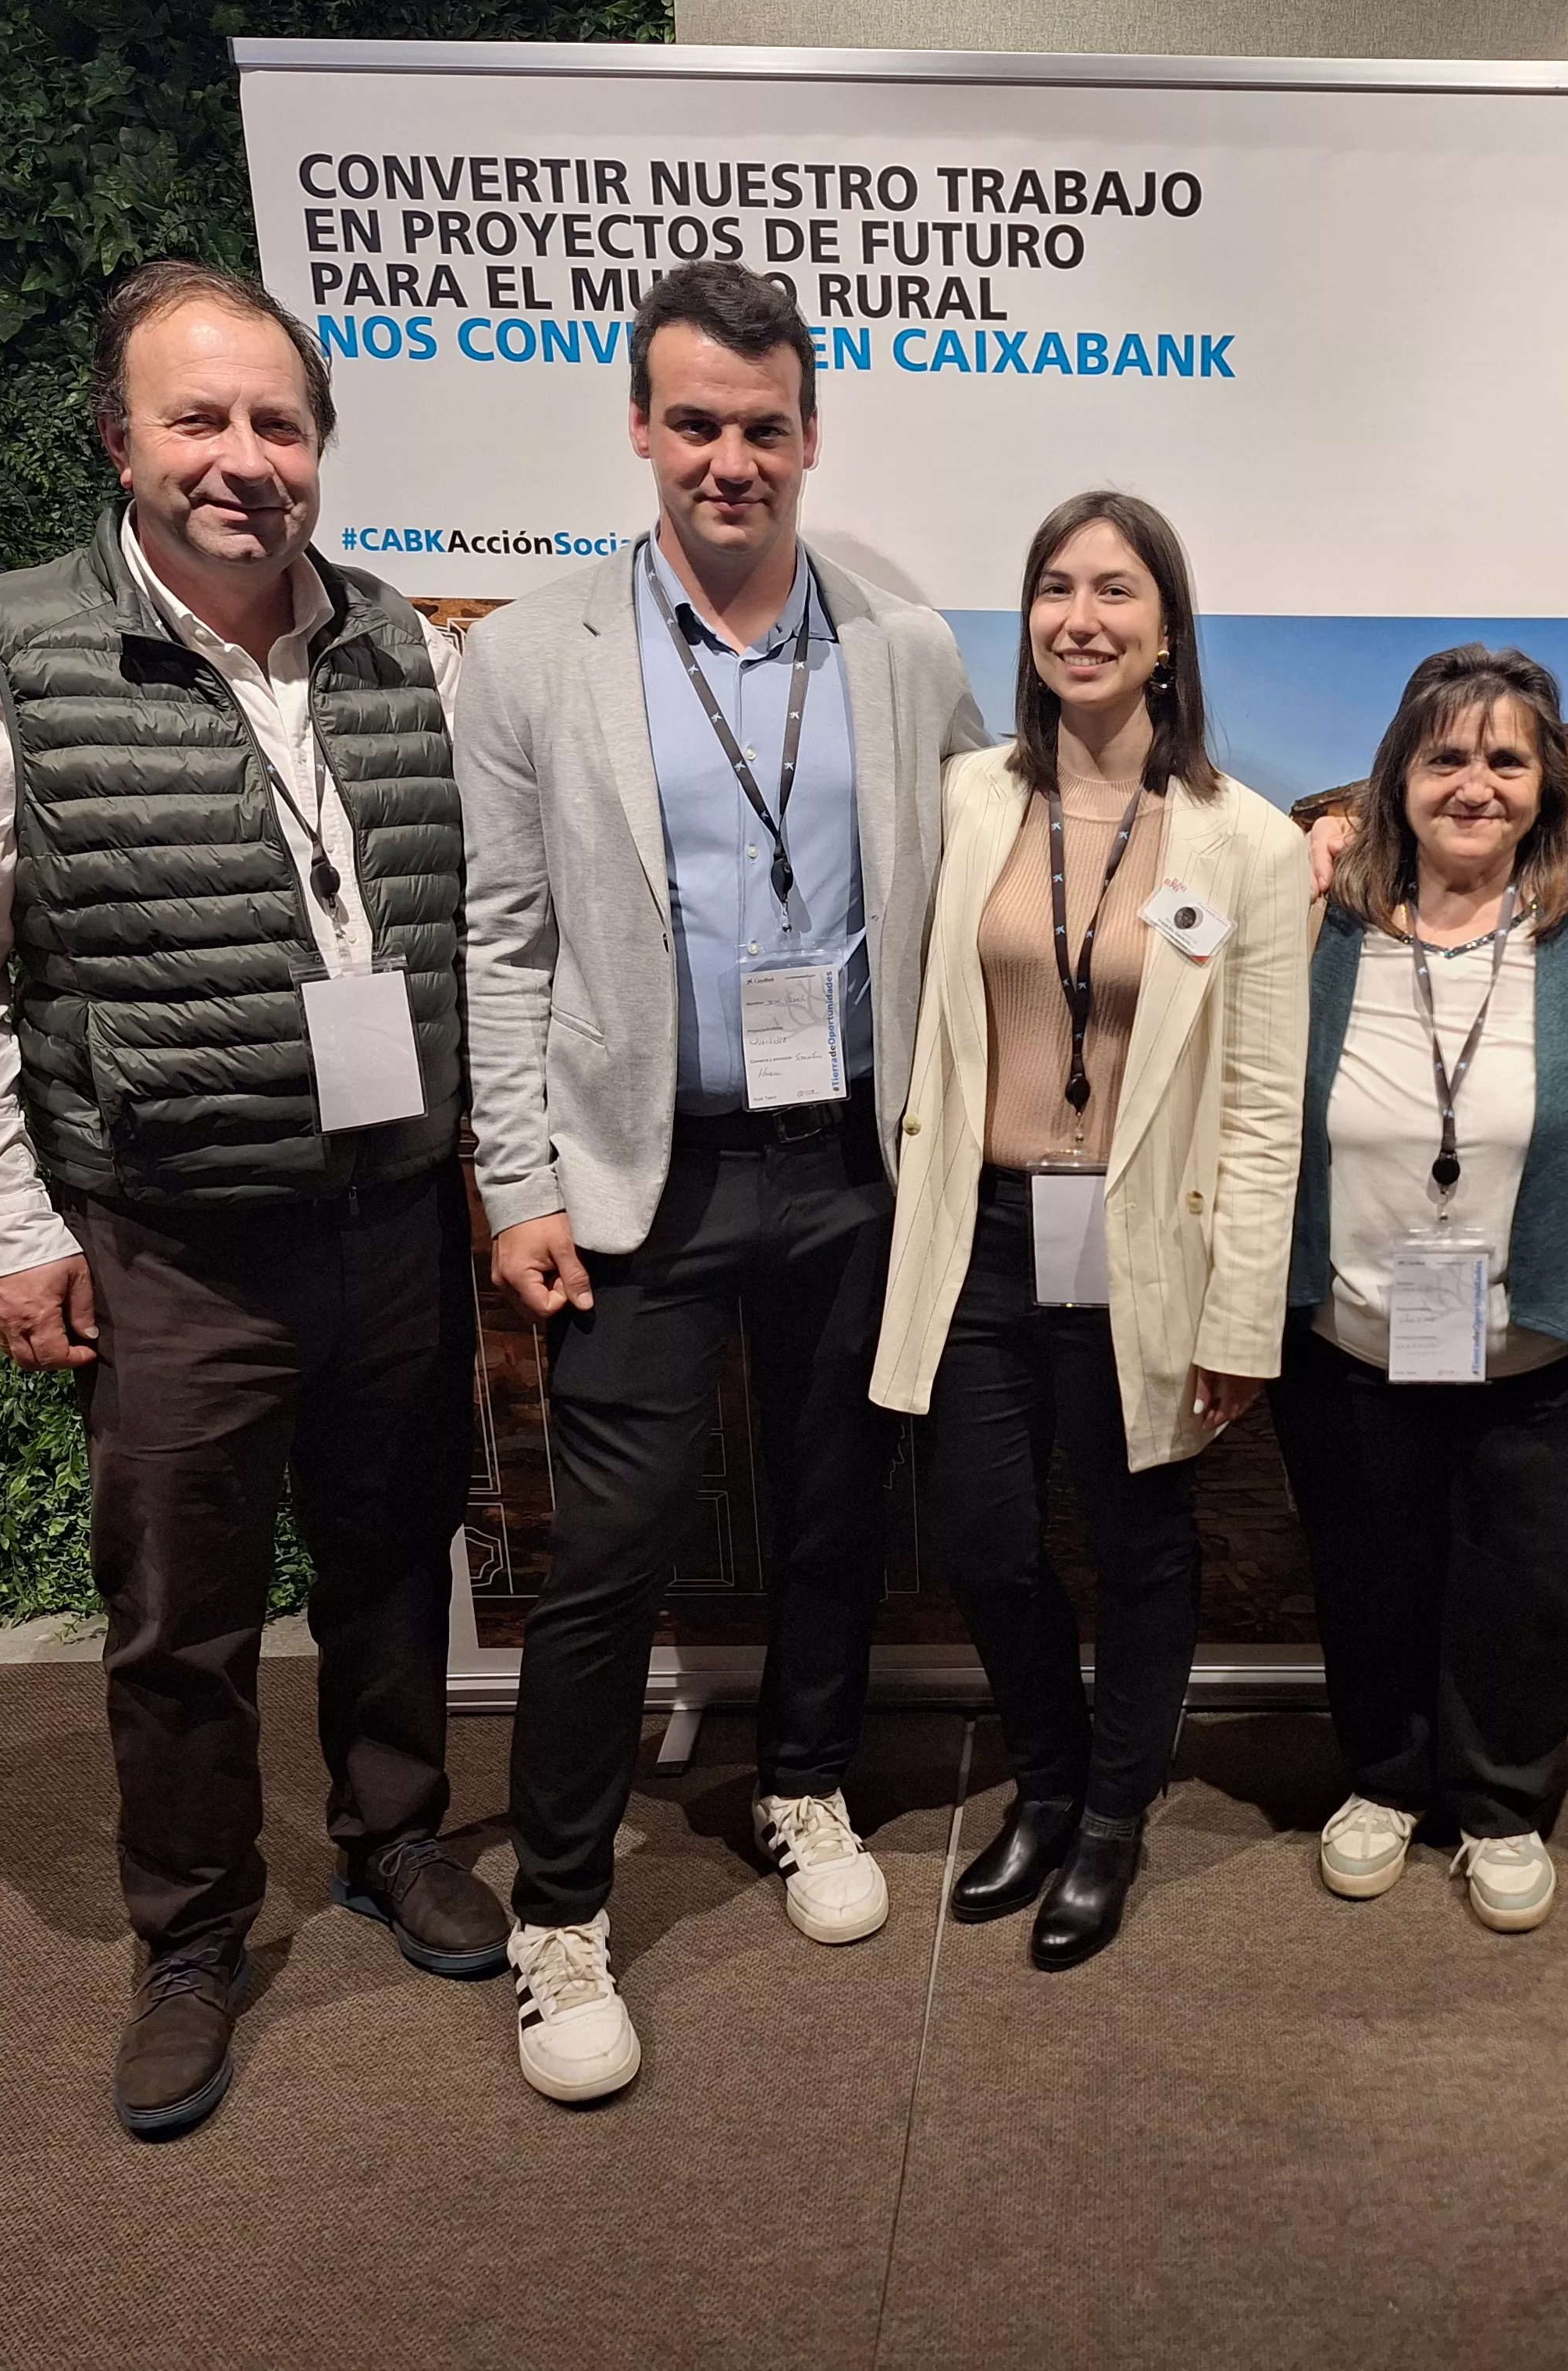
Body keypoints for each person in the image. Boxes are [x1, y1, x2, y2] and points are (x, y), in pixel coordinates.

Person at [0, 260, 498, 2141]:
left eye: (277, 423)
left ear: (320, 450)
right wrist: (7, 1218)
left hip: (391, 1215)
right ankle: (194, 1934)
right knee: (180, 1614)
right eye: (197, 418)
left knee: (395, 1555)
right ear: (119, 438)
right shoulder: (6, 656)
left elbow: (475, 919)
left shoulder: (405, 647)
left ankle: (393, 1837)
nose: (242, 458)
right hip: (173, 1236)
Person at [453, 262, 987, 2099]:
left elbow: (994, 851)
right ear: (640, 426)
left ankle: (804, 1780)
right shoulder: (533, 656)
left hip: (849, 1160)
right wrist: (516, 1185)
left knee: (837, 1502)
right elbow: (502, 939)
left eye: (765, 427)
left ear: (811, 433)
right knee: (608, 1554)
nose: (730, 460)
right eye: (695, 423)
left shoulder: (901, 641)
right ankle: (558, 1912)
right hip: (641, 1177)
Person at [869, 491, 1308, 1970]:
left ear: (1167, 631)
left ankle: (1114, 1817)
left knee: (1139, 1541)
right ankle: (1046, 1785)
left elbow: (1261, 1106)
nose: (1082, 618)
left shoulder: (1246, 844)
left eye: (1117, 591)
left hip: (1145, 1239)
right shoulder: (966, 801)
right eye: (1056, 588)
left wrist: (1241, 1316)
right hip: (986, 1227)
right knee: (985, 1538)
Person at [1276, 647, 1568, 1932]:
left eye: (1507, 759)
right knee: (1368, 1577)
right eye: (1446, 757)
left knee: (1528, 1591)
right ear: (1397, 777)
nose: (1475, 784)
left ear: (1547, 781)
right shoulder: (1323, 919)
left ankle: (1501, 1805)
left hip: (1542, 1347)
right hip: (1351, 1336)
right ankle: (1384, 1783)